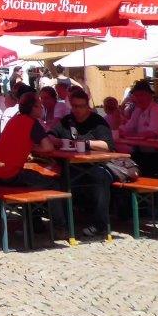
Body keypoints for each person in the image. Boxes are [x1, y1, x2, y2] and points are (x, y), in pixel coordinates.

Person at [0, 91, 66, 237]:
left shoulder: (14, 120)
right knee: (53, 184)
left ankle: (35, 224)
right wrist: (33, 148)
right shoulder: (32, 123)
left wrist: (28, 147)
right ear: (33, 108)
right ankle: (60, 228)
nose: (42, 108)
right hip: (9, 175)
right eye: (39, 105)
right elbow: (48, 147)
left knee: (32, 181)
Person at [49, 87, 115, 239]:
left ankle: (100, 225)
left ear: (87, 106)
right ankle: (63, 224)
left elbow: (107, 145)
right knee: (56, 180)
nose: (77, 110)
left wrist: (86, 143)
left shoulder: (98, 122)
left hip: (96, 165)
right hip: (72, 166)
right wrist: (58, 141)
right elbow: (50, 135)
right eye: (75, 106)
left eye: (81, 106)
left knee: (101, 178)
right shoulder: (67, 120)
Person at [119, 81, 158, 176]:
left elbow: (150, 134)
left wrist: (129, 135)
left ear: (150, 96)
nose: (138, 98)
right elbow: (128, 128)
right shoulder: (138, 110)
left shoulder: (157, 109)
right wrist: (119, 130)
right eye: (136, 95)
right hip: (143, 152)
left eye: (141, 95)